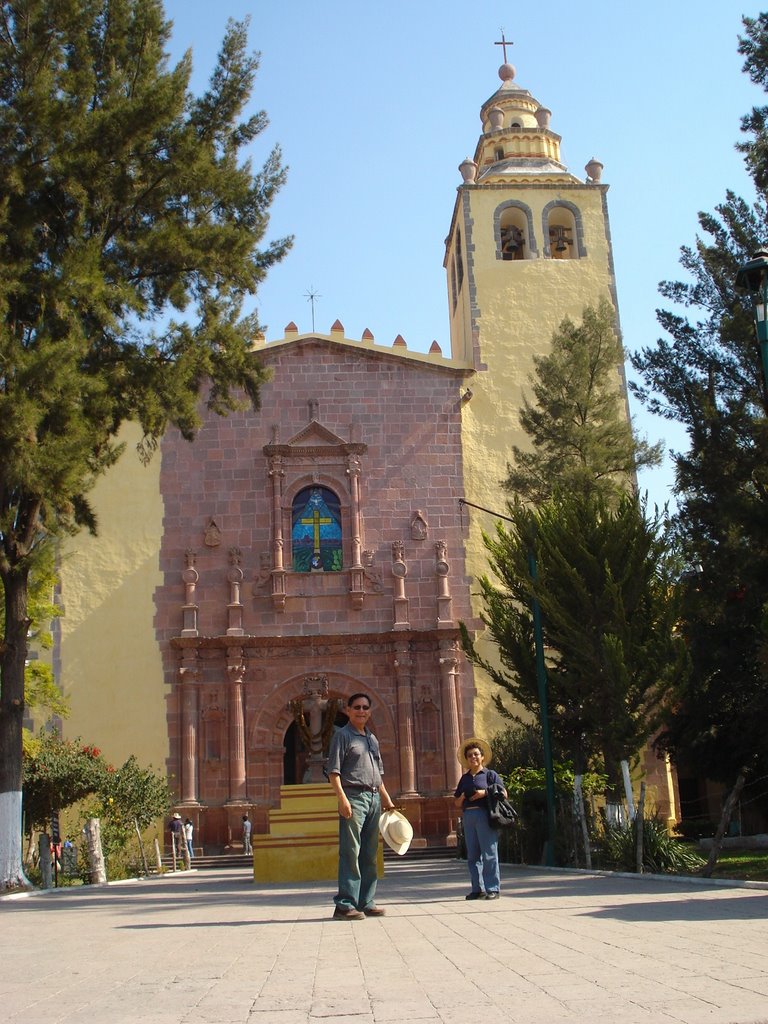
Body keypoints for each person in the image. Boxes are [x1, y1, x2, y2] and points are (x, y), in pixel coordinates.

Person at [326, 692, 395, 920]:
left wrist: (387, 800)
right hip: (354, 797)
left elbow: (379, 774)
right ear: (348, 710)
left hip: (374, 797)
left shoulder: (371, 739)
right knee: (350, 851)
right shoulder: (342, 736)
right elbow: (333, 773)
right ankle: (345, 904)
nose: (362, 711)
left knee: (369, 853)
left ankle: (366, 901)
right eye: (357, 707)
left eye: (365, 707)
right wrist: (342, 799)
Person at [454, 737, 507, 900]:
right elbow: (456, 802)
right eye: (470, 755)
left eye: (476, 754)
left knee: (489, 852)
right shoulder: (464, 778)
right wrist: (463, 796)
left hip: (485, 814)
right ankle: (477, 889)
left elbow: (504, 794)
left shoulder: (490, 775)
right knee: (473, 855)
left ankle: (493, 888)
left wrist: (484, 793)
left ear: (482, 757)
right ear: (467, 759)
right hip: (469, 815)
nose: (473, 757)